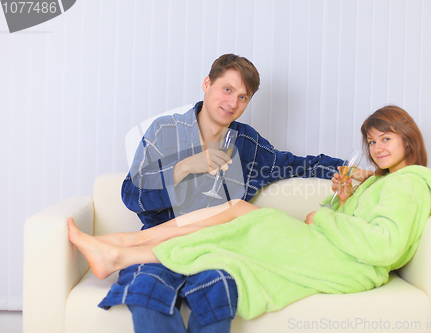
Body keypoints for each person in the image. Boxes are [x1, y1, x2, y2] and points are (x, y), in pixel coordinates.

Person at [69, 105, 431, 324]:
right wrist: (339, 198)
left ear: (409, 138)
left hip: (346, 266)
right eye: (372, 141)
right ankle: (121, 246)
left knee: (238, 216)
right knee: (236, 212)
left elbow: (383, 246)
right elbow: (348, 223)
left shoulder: (409, 184)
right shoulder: (380, 183)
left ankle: (122, 249)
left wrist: (323, 218)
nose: (376, 149)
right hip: (330, 251)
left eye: (385, 139)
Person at [97, 54, 361, 333]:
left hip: (217, 247)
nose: (233, 103)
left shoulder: (246, 143)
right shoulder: (165, 131)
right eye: (227, 89)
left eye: (243, 97)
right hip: (159, 242)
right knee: (147, 288)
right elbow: (131, 194)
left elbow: (295, 164)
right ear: (207, 83)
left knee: (220, 288)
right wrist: (183, 167)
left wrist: (348, 170)